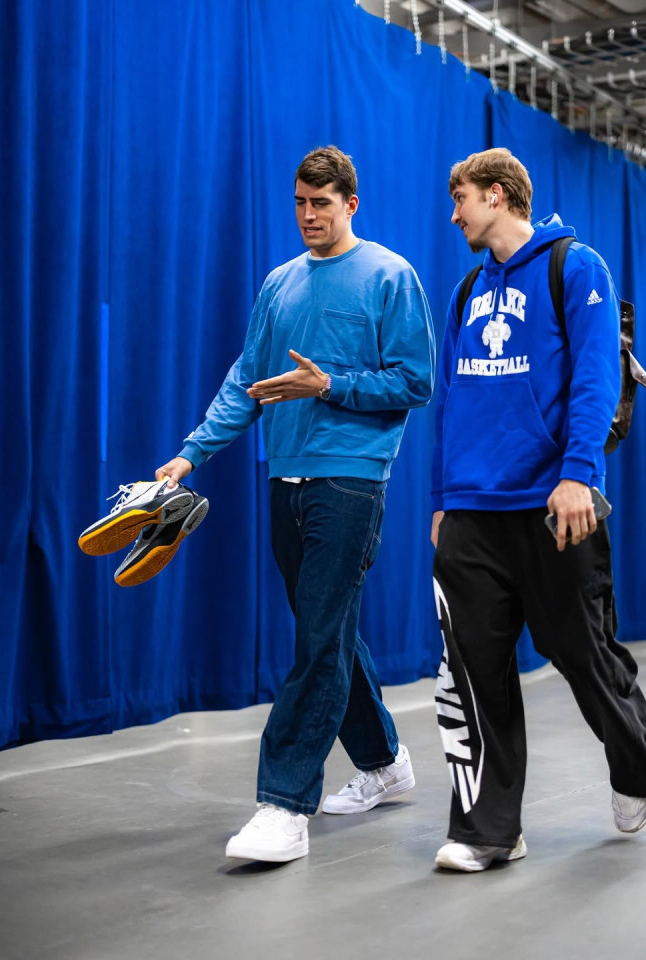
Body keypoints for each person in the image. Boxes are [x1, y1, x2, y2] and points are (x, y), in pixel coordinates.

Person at [156, 146, 435, 863]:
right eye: (300, 204)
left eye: (322, 203)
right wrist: (190, 454)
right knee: (328, 631)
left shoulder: (390, 275)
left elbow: (415, 381)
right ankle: (384, 764)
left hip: (350, 480)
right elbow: (246, 379)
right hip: (285, 478)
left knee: (316, 639)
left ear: (351, 203)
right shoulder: (279, 283)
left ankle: (283, 804)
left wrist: (330, 385)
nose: (309, 215)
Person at [430, 148, 646, 873]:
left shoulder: (576, 267)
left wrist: (577, 475)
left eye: (462, 198)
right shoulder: (466, 291)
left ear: (497, 196)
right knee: (475, 673)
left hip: (553, 503)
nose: (454, 214)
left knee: (583, 654)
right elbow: (450, 400)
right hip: (473, 510)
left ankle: (635, 764)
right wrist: (442, 499)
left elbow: (596, 376)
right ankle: (489, 831)